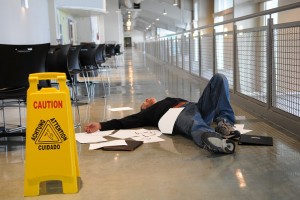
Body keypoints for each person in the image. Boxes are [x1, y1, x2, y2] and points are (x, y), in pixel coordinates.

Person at [84, 73, 240, 154]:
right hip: (175, 116)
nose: (146, 99)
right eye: (144, 103)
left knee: (219, 79)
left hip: (195, 107)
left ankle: (224, 123)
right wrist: (101, 125)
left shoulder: (168, 99)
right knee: (193, 122)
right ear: (144, 109)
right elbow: (125, 121)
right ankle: (213, 140)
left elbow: (196, 106)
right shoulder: (149, 113)